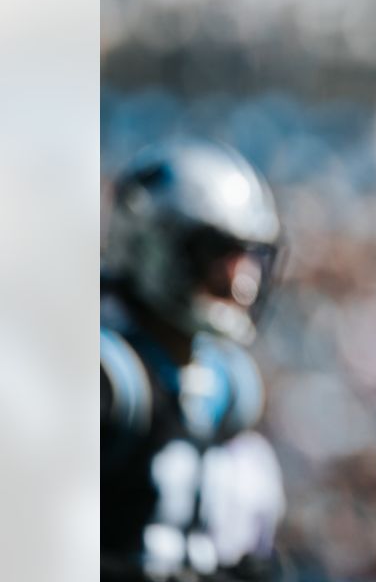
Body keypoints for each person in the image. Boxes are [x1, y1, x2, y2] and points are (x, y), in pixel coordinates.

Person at [101, 139, 286, 581]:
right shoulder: (110, 378)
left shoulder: (227, 383)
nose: (242, 282)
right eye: (219, 255)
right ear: (154, 245)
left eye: (251, 258)